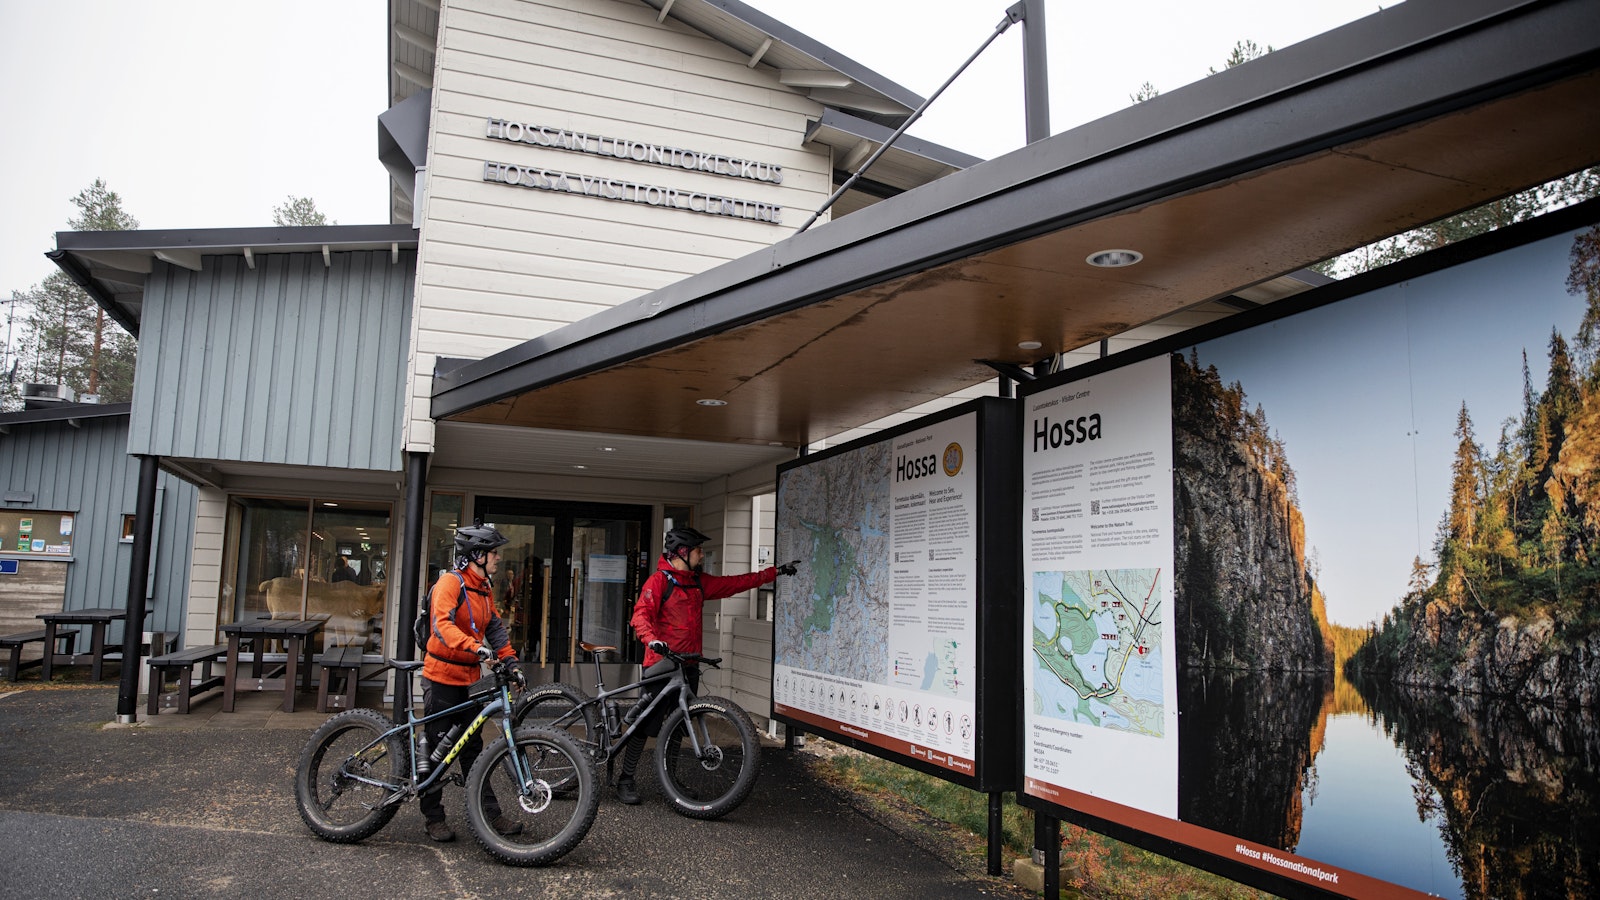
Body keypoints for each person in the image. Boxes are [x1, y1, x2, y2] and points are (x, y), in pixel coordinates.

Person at [615, 525, 798, 805]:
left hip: (687, 666)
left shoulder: (697, 582)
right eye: (699, 550)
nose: (703, 555)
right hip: (661, 665)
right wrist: (651, 639)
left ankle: (672, 782)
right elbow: (641, 615)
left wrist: (775, 572)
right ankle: (625, 779)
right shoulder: (659, 581)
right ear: (683, 552)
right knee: (644, 725)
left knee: (679, 724)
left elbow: (736, 583)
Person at [419, 523, 525, 842]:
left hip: (469, 681)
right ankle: (433, 817)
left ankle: (490, 814)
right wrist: (474, 646)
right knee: (437, 750)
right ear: (477, 555)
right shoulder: (450, 583)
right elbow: (442, 626)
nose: (497, 559)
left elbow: (494, 629)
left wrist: (511, 662)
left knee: (473, 750)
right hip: (441, 678)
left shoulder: (484, 588)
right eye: (494, 553)